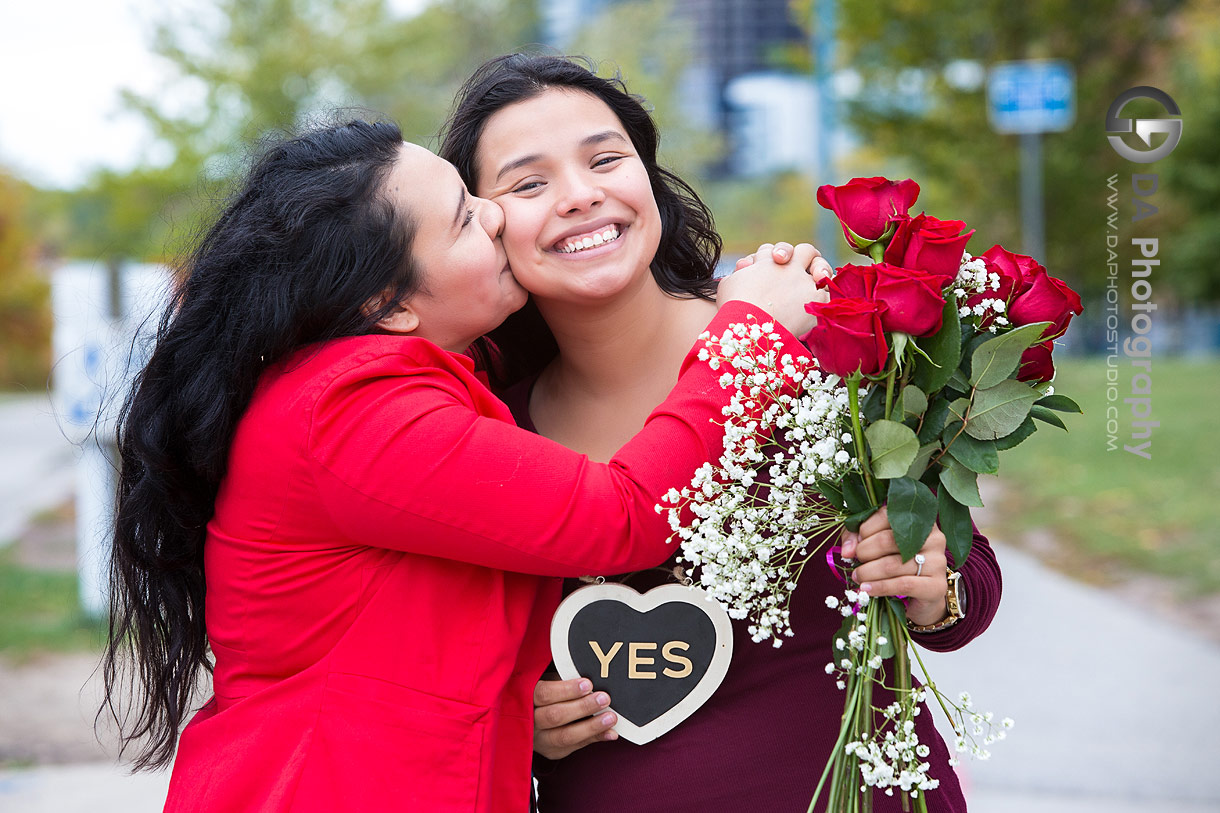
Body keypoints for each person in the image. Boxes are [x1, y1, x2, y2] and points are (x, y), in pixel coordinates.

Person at [100, 117, 827, 812]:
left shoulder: (408, 379)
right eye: (464, 218)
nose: (498, 217)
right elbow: (621, 516)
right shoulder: (353, 411)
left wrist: (520, 712)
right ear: (389, 304)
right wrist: (752, 337)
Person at [439, 53, 1003, 812]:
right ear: (485, 226)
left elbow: (967, 577)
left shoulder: (800, 342)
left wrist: (932, 584)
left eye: (606, 159)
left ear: (649, 178)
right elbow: (451, 664)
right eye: (529, 182)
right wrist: (520, 716)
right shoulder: (485, 425)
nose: (580, 195)